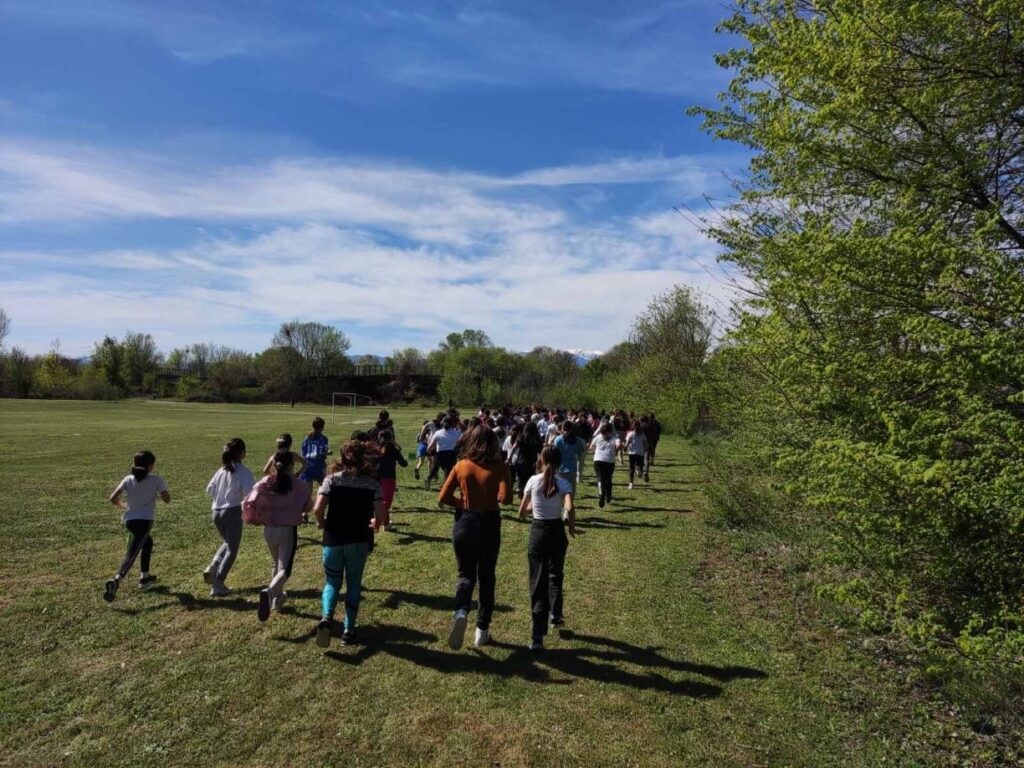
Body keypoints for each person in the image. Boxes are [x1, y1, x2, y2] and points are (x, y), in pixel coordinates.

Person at [438, 425, 513, 650]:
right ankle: (482, 630)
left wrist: (463, 503)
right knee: (487, 577)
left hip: (464, 523)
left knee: (465, 574)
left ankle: (461, 611)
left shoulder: (461, 465)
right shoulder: (501, 467)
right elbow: (507, 499)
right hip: (489, 523)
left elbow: (443, 497)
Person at [313, 440, 383, 648]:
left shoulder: (331, 480)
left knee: (331, 582)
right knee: (353, 583)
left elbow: (318, 508)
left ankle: (327, 617)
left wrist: (322, 523)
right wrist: (376, 523)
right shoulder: (372, 484)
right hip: (358, 539)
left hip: (333, 538)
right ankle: (348, 629)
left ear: (342, 458)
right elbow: (382, 513)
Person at [243, 450, 312, 621]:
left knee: (276, 562)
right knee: (285, 569)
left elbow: (249, 500)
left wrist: (254, 516)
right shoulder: (297, 483)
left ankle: (277, 599)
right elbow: (309, 506)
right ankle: (270, 592)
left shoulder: (266, 481)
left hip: (268, 530)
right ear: (292, 465)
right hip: (287, 530)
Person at [518, 446, 576, 652]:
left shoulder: (533, 481)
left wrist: (533, 506)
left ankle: (537, 638)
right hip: (557, 532)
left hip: (538, 532)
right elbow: (568, 508)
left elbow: (522, 513)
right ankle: (555, 614)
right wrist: (572, 527)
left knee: (537, 583)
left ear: (541, 460)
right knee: (555, 574)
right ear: (559, 462)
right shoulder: (564, 483)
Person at [103, 450, 171, 602]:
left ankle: (145, 578)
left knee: (148, 543)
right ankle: (116, 580)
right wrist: (161, 492)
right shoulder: (156, 480)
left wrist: (125, 506)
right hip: (145, 521)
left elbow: (113, 498)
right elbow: (167, 499)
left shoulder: (128, 479)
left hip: (129, 521)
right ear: (151, 466)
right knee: (132, 553)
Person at [203, 438, 254, 596]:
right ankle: (218, 584)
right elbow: (249, 495)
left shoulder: (221, 471)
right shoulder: (244, 472)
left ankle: (214, 564)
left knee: (227, 541)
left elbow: (209, 490)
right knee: (232, 548)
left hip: (216, 511)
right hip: (231, 511)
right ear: (241, 453)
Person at [376, 429, 407, 531]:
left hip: (376, 478)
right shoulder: (393, 450)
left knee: (379, 501)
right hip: (388, 478)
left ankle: (385, 524)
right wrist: (398, 450)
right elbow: (404, 464)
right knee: (386, 503)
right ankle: (381, 522)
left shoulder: (376, 449)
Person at [424, 414, 461, 491]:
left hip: (439, 454)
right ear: (452, 424)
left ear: (442, 424)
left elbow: (431, 445)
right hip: (451, 454)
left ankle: (428, 479)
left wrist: (427, 450)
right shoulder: (457, 433)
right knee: (448, 471)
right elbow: (460, 443)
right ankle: (445, 487)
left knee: (434, 469)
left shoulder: (438, 433)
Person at [300, 417, 331, 507]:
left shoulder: (307, 438)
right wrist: (329, 452)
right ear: (322, 427)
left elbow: (303, 451)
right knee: (324, 487)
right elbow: (324, 451)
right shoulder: (323, 438)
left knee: (308, 491)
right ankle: (320, 506)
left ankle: (304, 513)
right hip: (318, 464)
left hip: (307, 465)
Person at [553, 420, 587, 498]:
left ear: (562, 429)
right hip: (572, 469)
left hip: (559, 469)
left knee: (559, 493)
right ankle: (568, 508)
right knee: (570, 493)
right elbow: (580, 454)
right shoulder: (577, 440)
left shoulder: (558, 439)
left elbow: (553, 454)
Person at [510, 420, 543, 499]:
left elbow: (513, 448)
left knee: (521, 480)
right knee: (529, 480)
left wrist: (509, 458)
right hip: (532, 463)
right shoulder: (537, 439)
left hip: (520, 462)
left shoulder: (521, 437)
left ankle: (521, 494)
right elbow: (541, 452)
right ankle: (527, 496)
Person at [589, 422, 619, 508]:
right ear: (611, 430)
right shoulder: (614, 437)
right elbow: (619, 444)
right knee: (608, 479)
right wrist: (616, 451)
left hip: (598, 460)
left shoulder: (597, 437)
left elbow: (591, 447)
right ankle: (608, 496)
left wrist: (596, 451)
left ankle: (601, 493)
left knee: (600, 478)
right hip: (610, 461)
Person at [413, 415, 441, 481]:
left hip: (421, 447)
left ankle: (417, 468)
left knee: (420, 462)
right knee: (430, 461)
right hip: (429, 447)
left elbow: (417, 440)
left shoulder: (420, 432)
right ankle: (430, 474)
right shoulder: (431, 431)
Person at [625, 420, 648, 490]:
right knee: (640, 467)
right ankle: (638, 471)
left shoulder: (630, 433)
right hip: (640, 453)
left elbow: (627, 442)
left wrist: (625, 447)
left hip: (632, 453)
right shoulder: (643, 434)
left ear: (633, 426)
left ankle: (631, 484)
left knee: (631, 469)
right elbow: (646, 443)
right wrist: (645, 449)